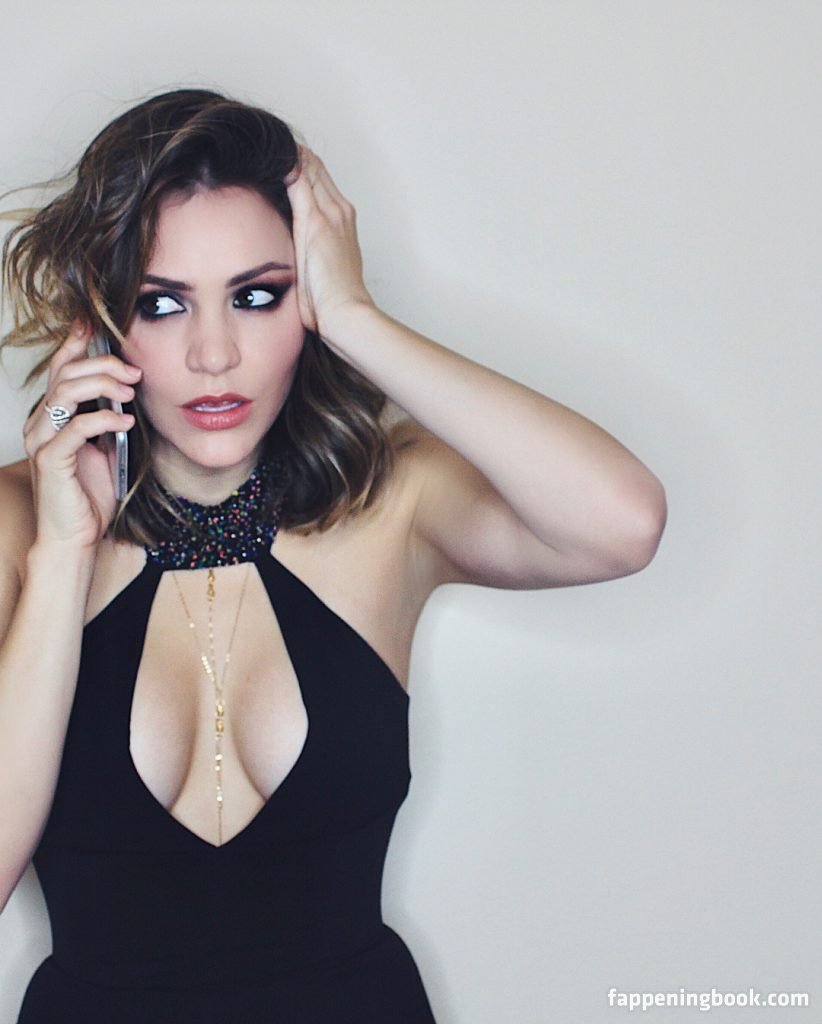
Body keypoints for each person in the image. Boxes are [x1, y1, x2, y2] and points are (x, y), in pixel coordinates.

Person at [0, 88, 666, 1022]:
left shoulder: (390, 503)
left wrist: (356, 319)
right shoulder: (18, 525)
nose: (215, 353)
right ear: (101, 320)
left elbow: (623, 523)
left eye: (258, 295)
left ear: (306, 296)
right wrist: (66, 553)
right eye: (162, 303)